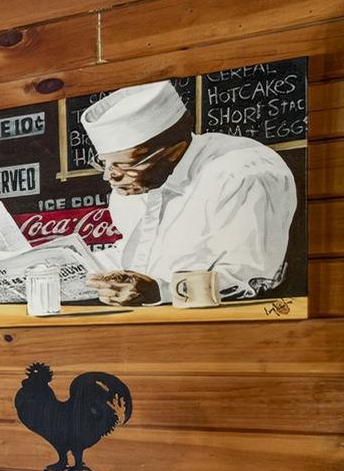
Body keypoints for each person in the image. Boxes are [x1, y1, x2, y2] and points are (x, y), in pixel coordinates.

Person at [79, 80, 297, 306]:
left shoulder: (240, 173)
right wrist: (73, 269)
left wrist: (160, 292)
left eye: (124, 165)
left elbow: (252, 278)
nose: (109, 176)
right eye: (104, 163)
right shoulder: (136, 186)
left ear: (173, 151)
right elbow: (138, 255)